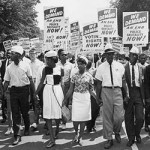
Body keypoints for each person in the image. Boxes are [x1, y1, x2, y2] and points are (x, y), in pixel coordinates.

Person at [95, 43, 129, 149]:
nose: (110, 56)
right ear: (105, 55)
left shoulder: (120, 66)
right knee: (107, 117)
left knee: (119, 116)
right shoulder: (100, 67)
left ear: (114, 54)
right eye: (108, 54)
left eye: (111, 54)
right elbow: (98, 84)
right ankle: (109, 138)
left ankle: (117, 131)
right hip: (106, 91)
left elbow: (123, 82)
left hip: (117, 91)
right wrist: (97, 96)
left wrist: (126, 93)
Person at [3, 45, 35, 145]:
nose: (10, 55)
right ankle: (17, 135)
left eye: (12, 54)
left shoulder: (26, 65)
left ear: (18, 55)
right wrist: (3, 93)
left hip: (24, 91)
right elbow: (6, 81)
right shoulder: (9, 68)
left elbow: (30, 80)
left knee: (25, 111)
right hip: (13, 92)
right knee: (15, 113)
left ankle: (26, 126)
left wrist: (34, 94)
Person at [35, 51, 64, 148]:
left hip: (57, 90)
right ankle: (52, 139)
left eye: (47, 59)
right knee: (47, 115)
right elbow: (41, 82)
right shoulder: (45, 69)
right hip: (47, 91)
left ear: (52, 59)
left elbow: (62, 83)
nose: (46, 61)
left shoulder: (60, 69)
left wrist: (64, 97)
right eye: (46, 59)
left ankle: (57, 129)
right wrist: (35, 93)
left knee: (57, 115)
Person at [63, 56, 95, 145]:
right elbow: (70, 89)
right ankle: (76, 133)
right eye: (78, 64)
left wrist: (98, 99)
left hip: (85, 98)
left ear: (85, 65)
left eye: (81, 64)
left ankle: (80, 136)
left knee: (83, 119)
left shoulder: (89, 76)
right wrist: (65, 99)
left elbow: (92, 90)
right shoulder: (74, 76)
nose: (80, 66)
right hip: (76, 98)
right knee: (76, 119)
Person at [124, 46, 145, 147]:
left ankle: (137, 134)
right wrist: (125, 95)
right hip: (128, 94)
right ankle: (131, 138)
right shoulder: (123, 68)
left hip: (138, 93)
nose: (135, 57)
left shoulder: (141, 68)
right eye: (133, 55)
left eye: (136, 55)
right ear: (129, 55)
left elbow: (143, 83)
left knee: (140, 118)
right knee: (128, 118)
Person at [57, 49, 73, 130]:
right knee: (58, 103)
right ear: (59, 56)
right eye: (62, 55)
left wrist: (70, 88)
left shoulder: (70, 65)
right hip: (58, 86)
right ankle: (59, 120)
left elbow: (71, 77)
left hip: (67, 85)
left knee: (65, 103)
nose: (64, 56)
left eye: (65, 55)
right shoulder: (56, 65)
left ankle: (64, 122)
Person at [28, 48, 44, 131]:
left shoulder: (40, 64)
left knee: (41, 102)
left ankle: (44, 119)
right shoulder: (28, 64)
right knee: (34, 102)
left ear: (36, 54)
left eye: (33, 54)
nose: (32, 55)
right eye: (30, 54)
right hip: (31, 83)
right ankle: (36, 120)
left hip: (39, 83)